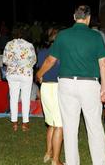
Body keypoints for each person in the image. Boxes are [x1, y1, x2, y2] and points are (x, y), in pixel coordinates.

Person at [36, 5, 105, 165]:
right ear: (88, 19)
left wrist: (39, 74)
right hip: (89, 85)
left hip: (66, 84)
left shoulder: (62, 35)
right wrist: (104, 87)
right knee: (95, 126)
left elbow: (50, 60)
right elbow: (103, 64)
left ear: (74, 17)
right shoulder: (95, 36)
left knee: (69, 128)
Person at [37, 28, 64, 165]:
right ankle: (56, 160)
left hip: (46, 87)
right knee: (60, 125)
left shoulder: (41, 52)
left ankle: (48, 153)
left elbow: (39, 71)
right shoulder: (62, 53)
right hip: (57, 88)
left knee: (51, 123)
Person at [3, 27, 37, 132]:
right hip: (25, 74)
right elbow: (34, 60)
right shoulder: (29, 45)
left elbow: (4, 60)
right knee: (25, 98)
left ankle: (14, 123)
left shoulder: (9, 44)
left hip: (12, 74)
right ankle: (25, 124)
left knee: (13, 98)